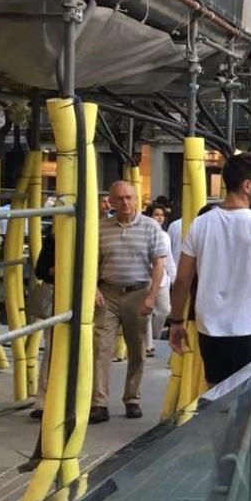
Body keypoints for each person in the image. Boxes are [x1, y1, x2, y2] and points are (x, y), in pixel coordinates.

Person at [168, 153, 251, 385]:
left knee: (218, 396)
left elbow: (183, 280)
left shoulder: (201, 223)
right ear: (247, 186)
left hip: (211, 330)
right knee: (250, 401)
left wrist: (177, 321)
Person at [74, 181, 169, 423]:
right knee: (101, 349)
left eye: (129, 197)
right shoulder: (101, 228)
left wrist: (151, 296)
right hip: (108, 294)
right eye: (119, 199)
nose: (125, 203)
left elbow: (159, 264)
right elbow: (91, 261)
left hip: (138, 293)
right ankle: (99, 403)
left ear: (136, 199)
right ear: (112, 202)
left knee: (136, 349)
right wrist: (93, 287)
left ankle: (132, 398)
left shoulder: (150, 227)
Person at [145, 204, 171, 355]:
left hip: (163, 278)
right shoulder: (145, 233)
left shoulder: (165, 236)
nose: (159, 217)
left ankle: (154, 337)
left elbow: (170, 259)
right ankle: (148, 344)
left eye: (161, 215)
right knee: (147, 312)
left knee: (164, 310)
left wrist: (173, 277)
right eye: (156, 214)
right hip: (147, 275)